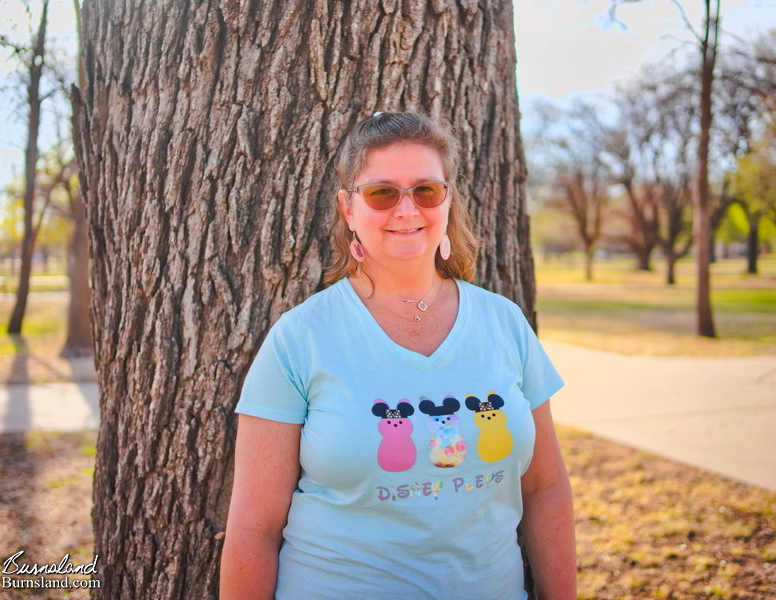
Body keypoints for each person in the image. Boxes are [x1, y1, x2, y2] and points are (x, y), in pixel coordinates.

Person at [220, 111, 577, 599]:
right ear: (348, 209)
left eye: (426, 191)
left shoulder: (505, 323)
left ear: (447, 201)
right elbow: (253, 528)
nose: (407, 211)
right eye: (382, 193)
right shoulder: (300, 337)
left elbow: (545, 489)